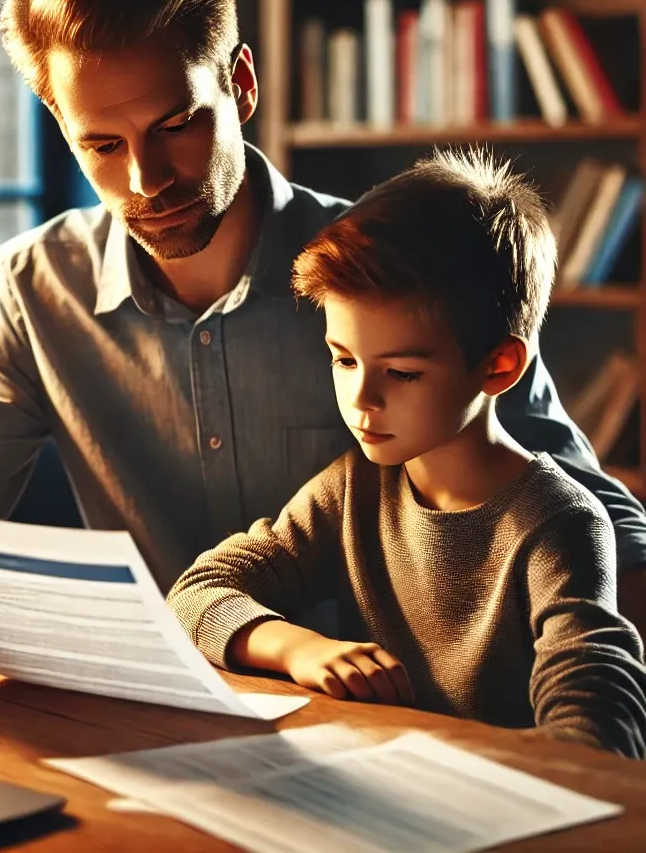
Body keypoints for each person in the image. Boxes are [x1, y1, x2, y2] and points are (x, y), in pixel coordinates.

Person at [0, 0, 646, 695]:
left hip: (384, 716)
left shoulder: (392, 276)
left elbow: (585, 509)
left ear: (240, 83)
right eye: (101, 146)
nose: (146, 181)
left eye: (176, 125)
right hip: (153, 706)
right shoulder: (33, 286)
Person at [167, 151, 646, 757]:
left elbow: (594, 725)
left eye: (401, 373)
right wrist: (299, 647)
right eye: (343, 359)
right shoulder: (354, 488)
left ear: (499, 366)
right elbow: (196, 592)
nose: (361, 399)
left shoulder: (560, 524)